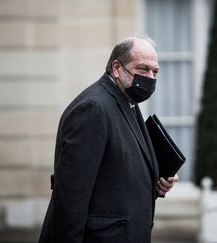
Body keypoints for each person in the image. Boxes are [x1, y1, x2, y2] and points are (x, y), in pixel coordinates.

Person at [39, 36, 179, 243]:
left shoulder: (127, 102)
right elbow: (71, 196)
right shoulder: (93, 108)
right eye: (142, 69)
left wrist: (156, 182)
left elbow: (116, 173)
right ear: (116, 68)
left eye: (155, 71)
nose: (150, 77)